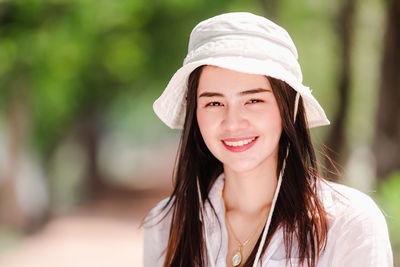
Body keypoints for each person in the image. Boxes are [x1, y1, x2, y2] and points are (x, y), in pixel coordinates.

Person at [143, 12, 393, 267]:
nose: (232, 122)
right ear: (194, 113)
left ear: (289, 108)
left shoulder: (347, 223)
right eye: (214, 102)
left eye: (253, 100)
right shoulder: (167, 225)